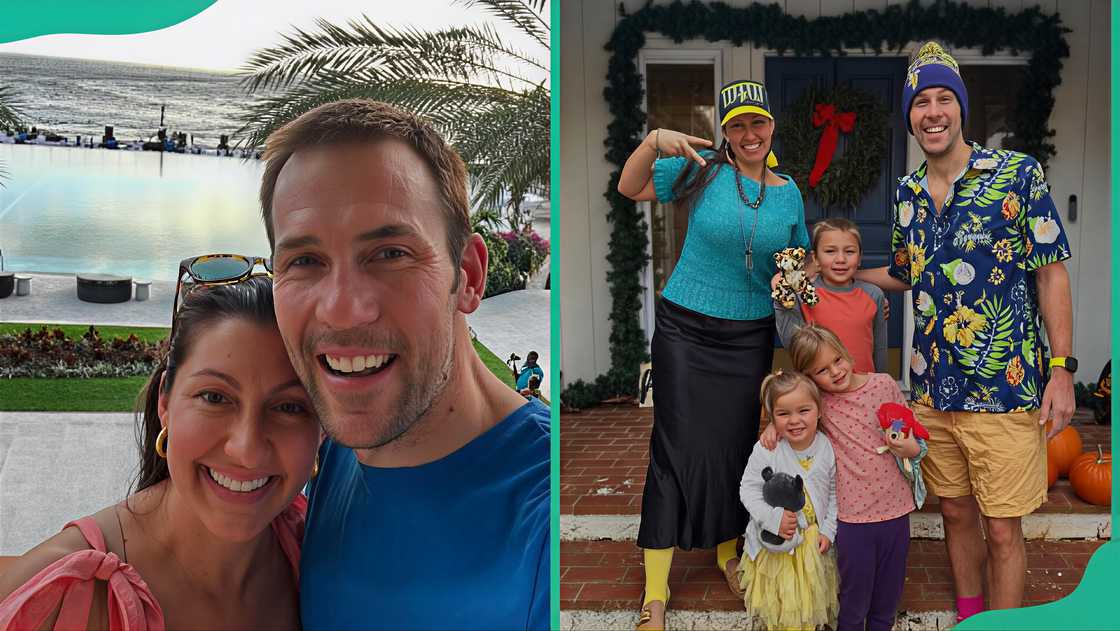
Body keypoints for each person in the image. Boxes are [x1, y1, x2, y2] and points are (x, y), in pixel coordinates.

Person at [259, 99, 550, 630]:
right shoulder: (334, 455)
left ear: (468, 275)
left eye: (390, 253)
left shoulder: (547, 523)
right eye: (304, 261)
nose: (342, 309)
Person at [855, 42, 1076, 619]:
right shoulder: (906, 194)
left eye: (943, 99)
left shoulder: (1016, 175)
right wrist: (843, 273)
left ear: (961, 107)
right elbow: (905, 273)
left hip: (1004, 388)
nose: (932, 112)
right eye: (920, 102)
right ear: (910, 115)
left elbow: (1051, 272)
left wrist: (1062, 369)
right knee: (954, 512)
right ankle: (971, 617)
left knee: (1002, 528)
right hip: (933, 392)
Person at [0, 274, 317, 629]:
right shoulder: (58, 599)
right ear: (165, 401)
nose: (247, 450)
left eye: (289, 407)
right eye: (214, 397)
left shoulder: (319, 554)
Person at [617, 79, 810, 629]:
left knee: (733, 447)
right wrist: (654, 140)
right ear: (725, 131)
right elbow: (630, 187)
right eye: (737, 125)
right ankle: (656, 592)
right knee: (673, 447)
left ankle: (727, 552)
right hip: (685, 327)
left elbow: (797, 258)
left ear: (772, 126)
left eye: (758, 122)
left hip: (749, 335)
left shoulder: (789, 193)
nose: (749, 134)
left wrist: (799, 280)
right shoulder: (701, 170)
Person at [762, 324, 925, 631]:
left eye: (837, 360)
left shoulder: (883, 384)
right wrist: (775, 423)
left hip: (895, 509)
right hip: (853, 518)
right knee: (853, 601)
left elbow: (914, 436)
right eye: (822, 370)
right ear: (811, 378)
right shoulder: (820, 404)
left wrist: (912, 447)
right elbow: (791, 406)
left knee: (887, 598)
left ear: (845, 352)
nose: (835, 372)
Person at [738, 370, 839, 630]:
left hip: (812, 545)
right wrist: (772, 519)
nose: (794, 420)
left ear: (819, 410)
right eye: (783, 414)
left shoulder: (826, 447)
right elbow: (748, 489)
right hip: (775, 550)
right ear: (772, 418)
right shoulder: (767, 450)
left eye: (803, 410)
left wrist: (828, 530)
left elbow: (833, 494)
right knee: (783, 610)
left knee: (808, 609)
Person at [774, 218, 887, 373]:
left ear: (860, 257)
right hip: (817, 386)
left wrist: (882, 381)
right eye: (830, 251)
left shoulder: (874, 295)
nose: (841, 259)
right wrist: (783, 300)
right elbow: (792, 344)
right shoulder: (803, 295)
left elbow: (880, 348)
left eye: (849, 252)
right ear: (815, 258)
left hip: (865, 384)